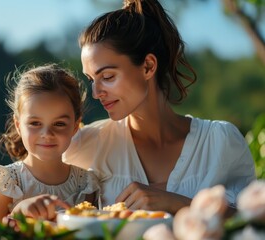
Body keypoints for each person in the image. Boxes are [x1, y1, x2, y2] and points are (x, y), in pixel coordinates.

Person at [63, 0, 256, 217]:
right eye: (91, 79)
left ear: (148, 66)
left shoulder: (220, 143)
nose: (96, 92)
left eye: (107, 77)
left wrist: (178, 204)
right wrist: (21, 207)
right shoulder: (88, 145)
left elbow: (253, 222)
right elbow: (33, 187)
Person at [0, 64, 99, 222]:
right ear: (18, 125)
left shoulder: (86, 184)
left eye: (59, 124)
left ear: (75, 127)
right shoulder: (7, 183)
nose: (47, 134)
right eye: (35, 123)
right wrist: (18, 214)